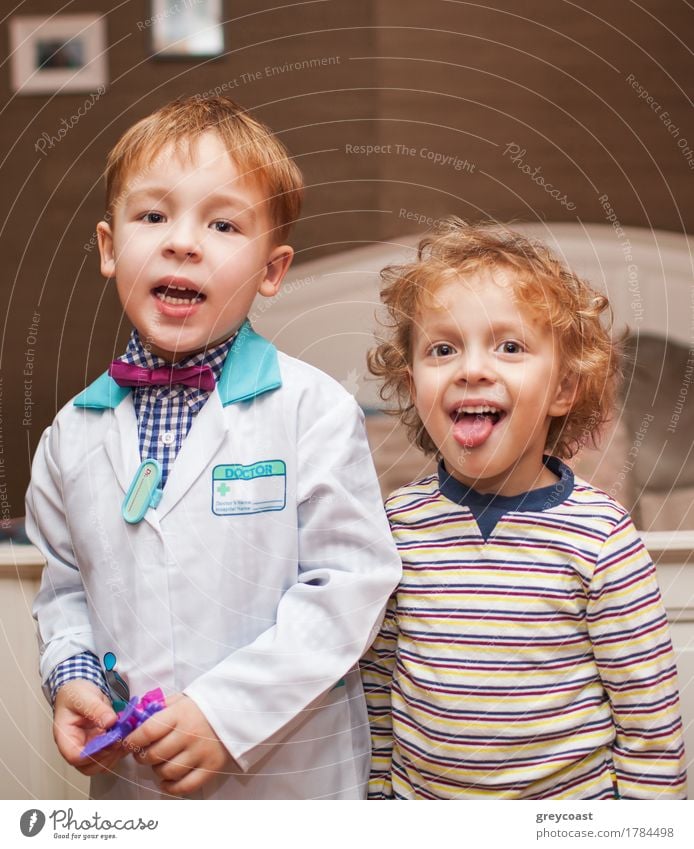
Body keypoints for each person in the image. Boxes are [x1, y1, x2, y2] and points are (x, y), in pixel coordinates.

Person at [27, 95, 401, 800]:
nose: (183, 242)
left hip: (289, 783)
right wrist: (72, 675)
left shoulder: (312, 411)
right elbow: (65, 589)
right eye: (153, 215)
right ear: (110, 248)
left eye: (223, 223)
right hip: (133, 781)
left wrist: (226, 715)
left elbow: (347, 587)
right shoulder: (69, 436)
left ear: (272, 269)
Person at [361, 218, 687, 799]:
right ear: (413, 386)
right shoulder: (396, 526)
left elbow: (649, 729)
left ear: (563, 389)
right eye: (443, 348)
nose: (473, 368)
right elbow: (378, 692)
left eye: (509, 346)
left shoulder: (601, 539)